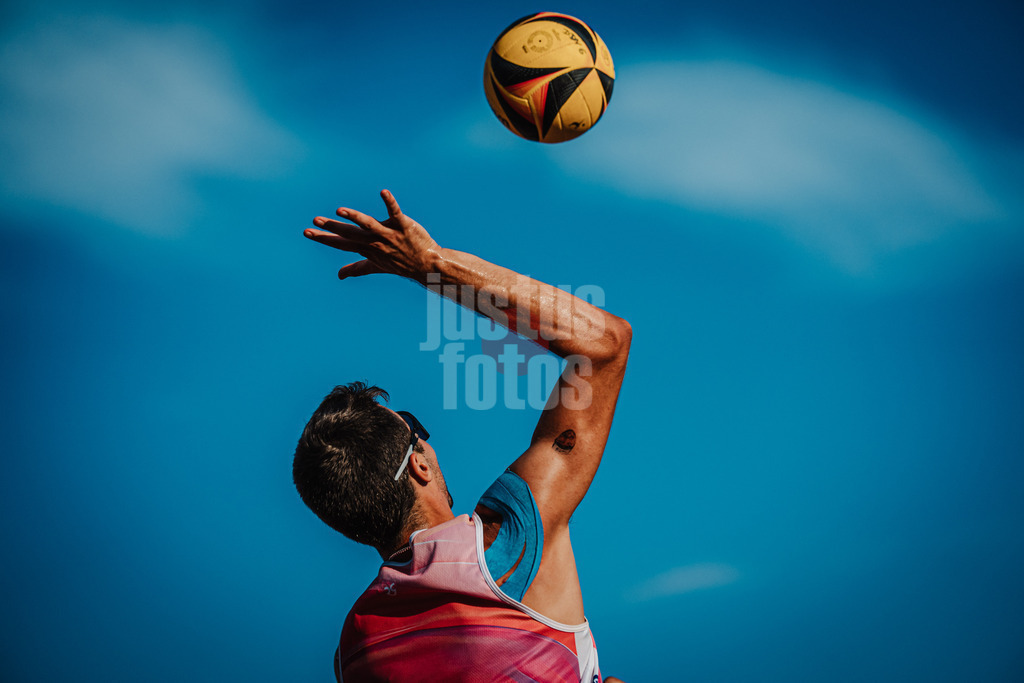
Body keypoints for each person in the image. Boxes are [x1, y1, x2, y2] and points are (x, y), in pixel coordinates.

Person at [293, 190, 631, 683]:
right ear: (419, 464)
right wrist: (430, 264)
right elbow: (604, 344)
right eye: (416, 429)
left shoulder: (355, 648)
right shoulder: (504, 544)